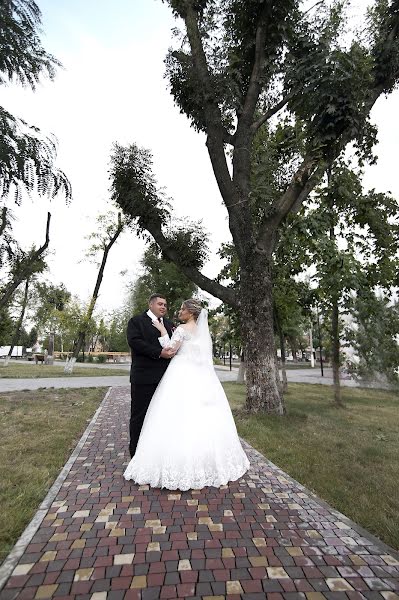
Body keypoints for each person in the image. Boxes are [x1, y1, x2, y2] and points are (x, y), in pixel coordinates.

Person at [124, 298, 250, 490]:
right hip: (199, 376)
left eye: (182, 308)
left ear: (191, 312)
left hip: (180, 375)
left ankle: (168, 458)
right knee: (199, 417)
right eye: (162, 304)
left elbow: (170, 350)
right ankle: (208, 461)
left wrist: (164, 332)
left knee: (175, 416)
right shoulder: (201, 332)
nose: (178, 310)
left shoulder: (180, 329)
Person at [127, 293, 176, 458]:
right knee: (139, 416)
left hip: (165, 380)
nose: (163, 307)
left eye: (165, 305)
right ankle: (135, 453)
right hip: (144, 378)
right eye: (160, 304)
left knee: (161, 417)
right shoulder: (136, 322)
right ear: (151, 305)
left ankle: (155, 454)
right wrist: (159, 353)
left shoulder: (169, 325)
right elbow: (135, 342)